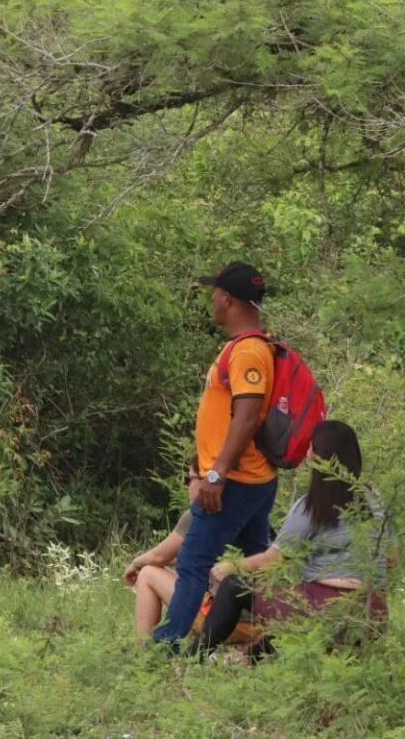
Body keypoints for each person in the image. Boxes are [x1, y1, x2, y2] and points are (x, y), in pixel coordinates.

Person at [152, 261, 278, 647]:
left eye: (214, 294)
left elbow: (246, 415)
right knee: (260, 563)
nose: (211, 300)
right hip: (250, 479)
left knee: (192, 565)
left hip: (234, 482)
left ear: (227, 299)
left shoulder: (248, 352)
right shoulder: (245, 347)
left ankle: (163, 654)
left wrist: (216, 474)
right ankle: (277, 644)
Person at [196, 419, 392, 661]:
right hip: (374, 613)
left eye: (311, 448)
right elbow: (391, 558)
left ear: (318, 458)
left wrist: (229, 566)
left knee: (236, 585)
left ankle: (195, 657)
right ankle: (247, 658)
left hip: (327, 611)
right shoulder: (375, 499)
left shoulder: (311, 505)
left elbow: (273, 559)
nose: (307, 453)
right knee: (294, 606)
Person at [125, 459, 262, 645]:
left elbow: (159, 556)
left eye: (188, 479)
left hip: (223, 620)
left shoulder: (201, 514)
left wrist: (134, 564)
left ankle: (144, 649)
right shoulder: (252, 509)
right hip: (261, 623)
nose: (187, 486)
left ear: (206, 479)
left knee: (148, 573)